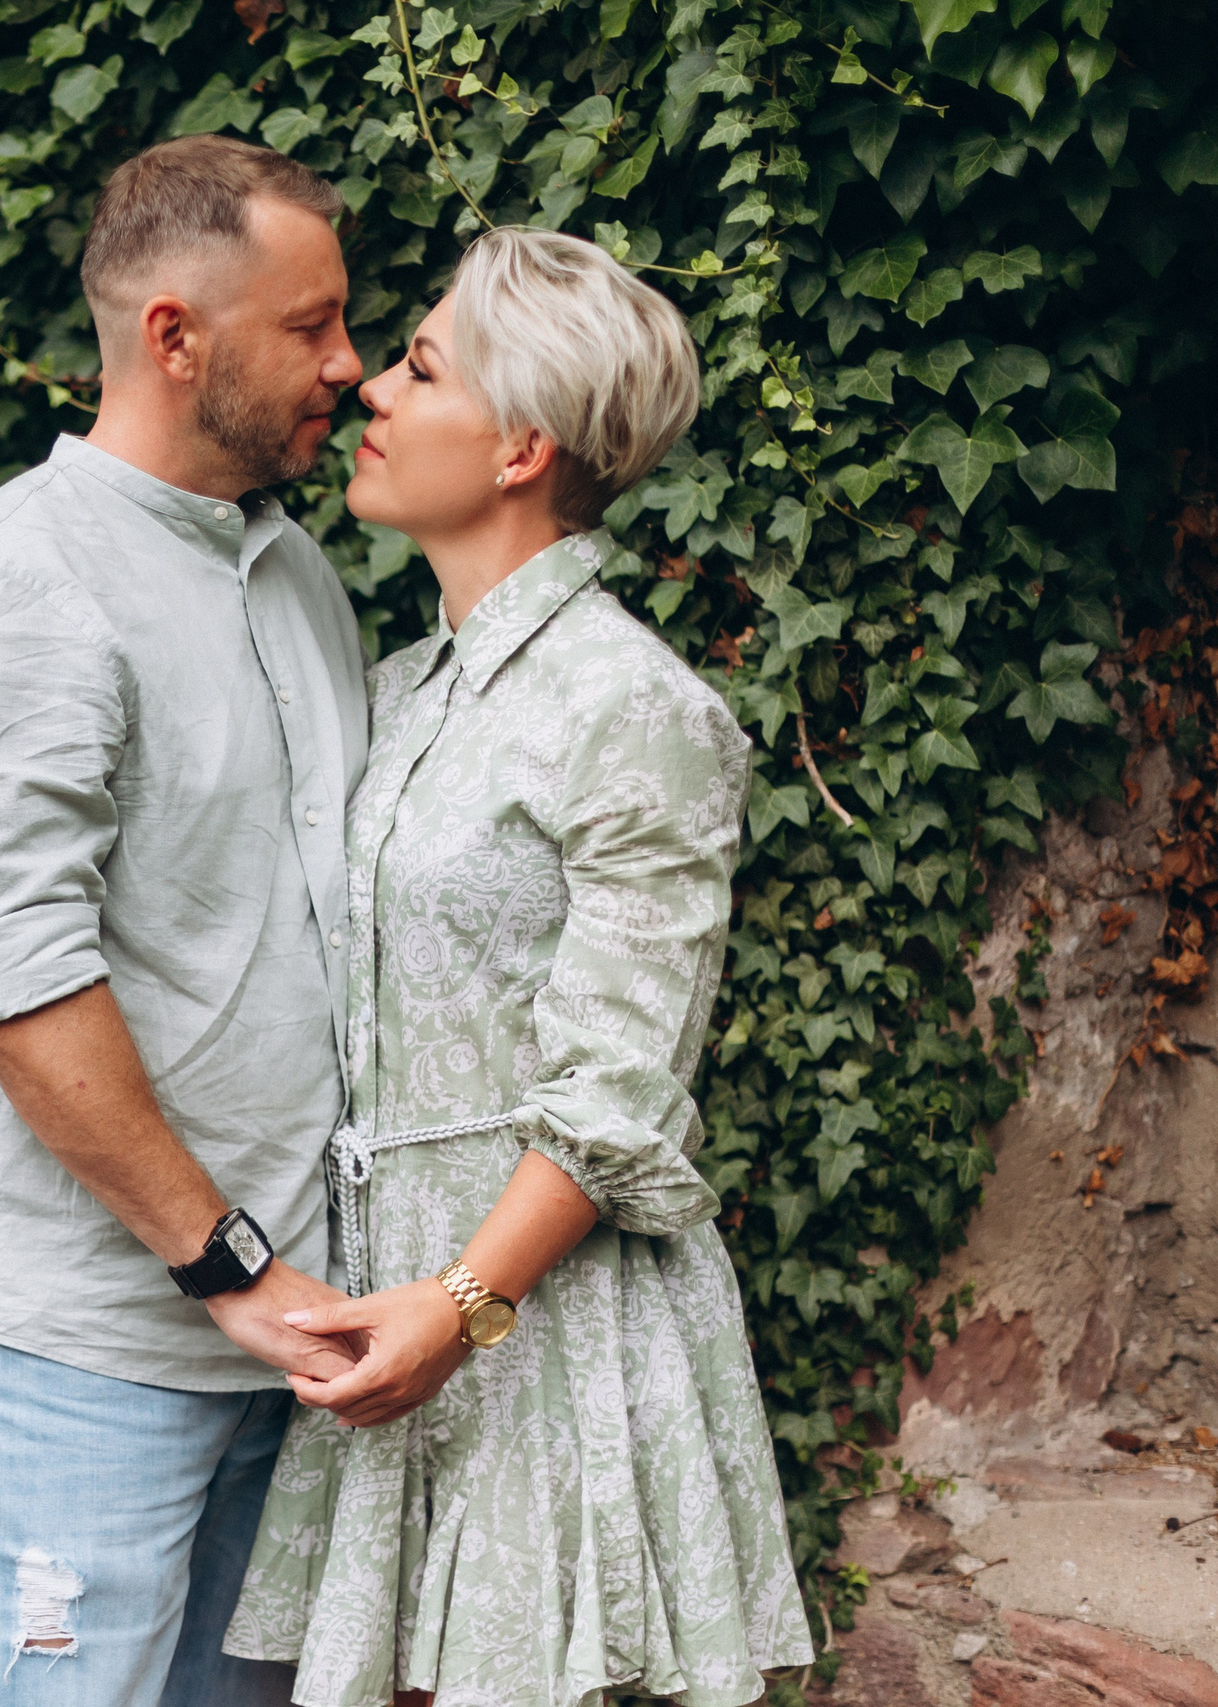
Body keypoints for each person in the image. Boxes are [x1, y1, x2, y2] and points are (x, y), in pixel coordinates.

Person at [222, 227, 816, 1707]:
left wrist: (463, 1305)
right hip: (383, 1300)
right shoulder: (399, 691)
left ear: (519, 447)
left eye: (419, 366)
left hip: (546, 1324)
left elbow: (621, 1082)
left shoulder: (639, 710)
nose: (367, 389)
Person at [0, 134, 368, 1706]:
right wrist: (227, 1266)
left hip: (295, 1340)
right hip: (94, 1339)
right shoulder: (12, 591)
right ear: (173, 335)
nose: (348, 364)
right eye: (311, 326)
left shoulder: (297, 578)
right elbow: (19, 989)